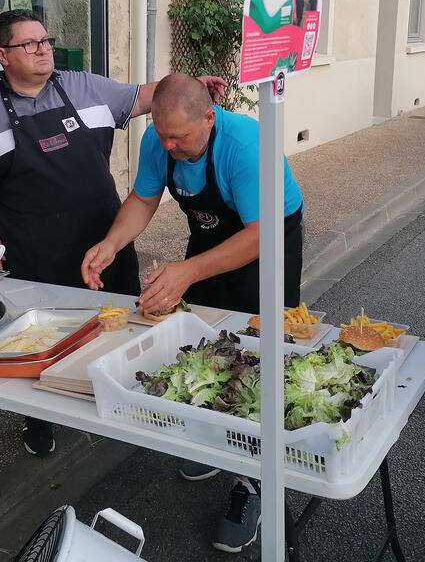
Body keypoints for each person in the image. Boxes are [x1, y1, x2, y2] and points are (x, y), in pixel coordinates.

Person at [0, 10, 225, 455]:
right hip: (34, 248)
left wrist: (193, 86)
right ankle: (40, 419)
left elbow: (149, 96)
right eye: (28, 44)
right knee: (38, 338)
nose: (42, 50)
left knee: (120, 326)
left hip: (102, 235)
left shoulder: (84, 87)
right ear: (0, 55)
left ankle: (127, 398)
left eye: (45, 41)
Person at [82, 73, 304, 554]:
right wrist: (112, 243)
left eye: (179, 137)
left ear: (209, 117)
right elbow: (143, 198)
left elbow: (259, 233)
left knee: (258, 357)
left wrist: (185, 273)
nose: (168, 144)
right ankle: (216, 440)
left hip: (267, 236)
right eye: (162, 134)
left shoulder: (246, 145)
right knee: (205, 343)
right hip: (212, 234)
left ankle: (255, 485)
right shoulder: (161, 138)